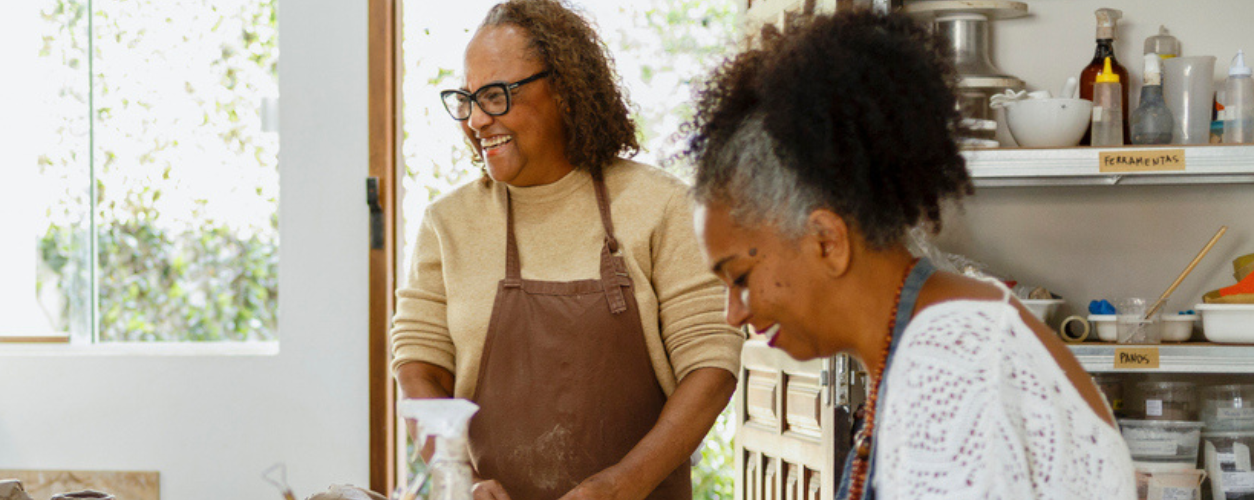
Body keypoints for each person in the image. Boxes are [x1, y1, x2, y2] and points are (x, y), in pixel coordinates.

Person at [685, 10, 1133, 500]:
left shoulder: (947, 355)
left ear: (826, 242)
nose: (733, 314)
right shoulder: (925, 334)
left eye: (741, 276)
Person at [389, 1, 743, 499]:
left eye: (494, 96)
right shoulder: (448, 224)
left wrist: (624, 484)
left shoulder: (657, 206)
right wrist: (461, 482)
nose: (475, 120)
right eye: (466, 99)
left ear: (566, 90)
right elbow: (417, 368)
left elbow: (712, 366)